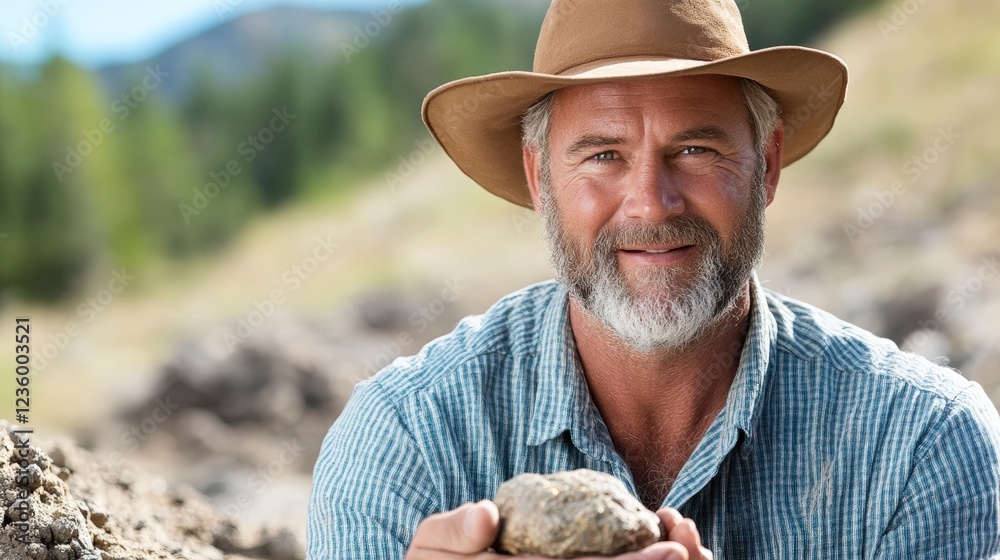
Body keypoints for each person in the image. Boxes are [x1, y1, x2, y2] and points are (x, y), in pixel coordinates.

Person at [308, 0, 1000, 558]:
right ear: (538, 180)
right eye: (604, 154)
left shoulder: (920, 443)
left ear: (767, 166)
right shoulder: (405, 443)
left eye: (696, 149)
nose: (651, 203)